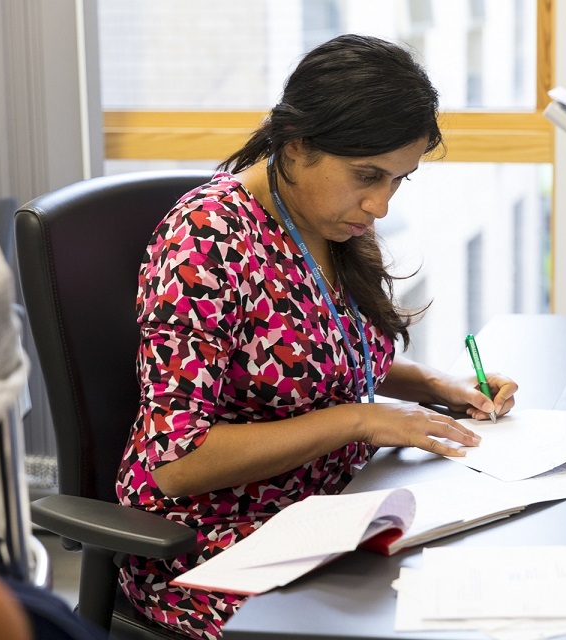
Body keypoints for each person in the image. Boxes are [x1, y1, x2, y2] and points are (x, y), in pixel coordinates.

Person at [116, 34, 518, 639]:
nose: (380, 204)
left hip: (338, 509)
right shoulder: (205, 241)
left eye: (398, 180)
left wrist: (436, 384)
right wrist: (362, 420)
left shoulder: (332, 220)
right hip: (219, 542)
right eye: (368, 175)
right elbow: (177, 463)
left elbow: (320, 355)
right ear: (298, 144)